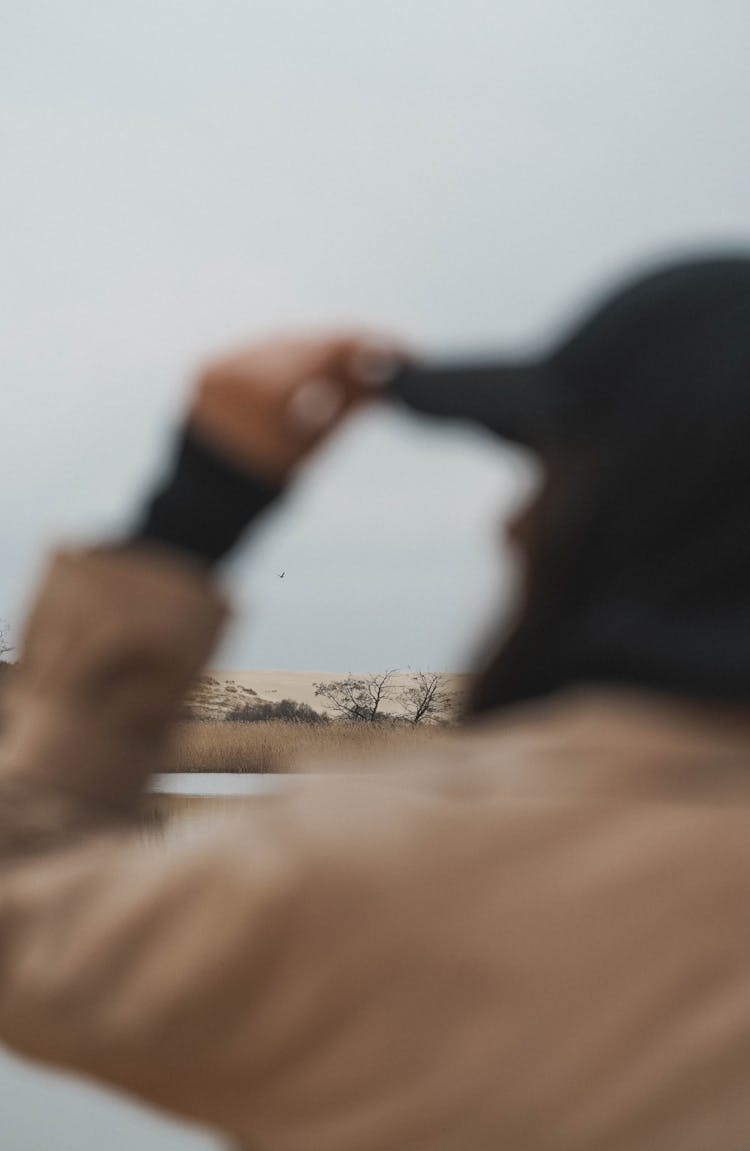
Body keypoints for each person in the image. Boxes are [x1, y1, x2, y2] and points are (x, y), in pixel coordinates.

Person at [1, 253, 749, 1151]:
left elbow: (22, 917)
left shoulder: (387, 875)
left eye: (546, 475)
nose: (508, 525)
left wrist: (194, 513)